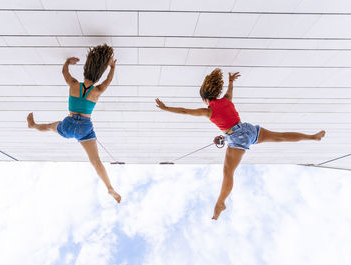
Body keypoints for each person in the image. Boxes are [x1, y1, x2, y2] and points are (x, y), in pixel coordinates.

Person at [155, 69, 325, 220]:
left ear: (206, 99)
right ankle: (312, 137)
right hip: (247, 129)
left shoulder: (208, 111)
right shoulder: (227, 100)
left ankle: (220, 203)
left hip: (237, 137)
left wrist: (166, 108)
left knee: (228, 172)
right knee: (279, 137)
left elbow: (185, 111)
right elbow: (229, 93)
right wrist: (230, 82)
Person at [27, 44, 121, 203]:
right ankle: (109, 187)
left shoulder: (73, 84)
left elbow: (64, 73)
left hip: (69, 123)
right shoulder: (97, 90)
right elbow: (109, 80)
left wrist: (67, 62)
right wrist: (111, 67)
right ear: (98, 77)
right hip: (84, 127)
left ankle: (34, 125)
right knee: (95, 161)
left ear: (85, 71)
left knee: (51, 126)